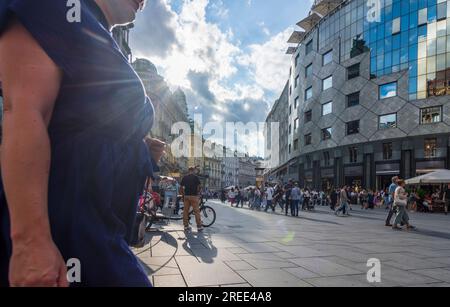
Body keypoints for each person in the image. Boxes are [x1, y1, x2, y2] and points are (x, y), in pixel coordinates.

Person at [0, 0, 166, 287]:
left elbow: (85, 127)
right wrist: (30, 241)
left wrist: (141, 148)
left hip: (102, 230)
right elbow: (26, 110)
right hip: (68, 231)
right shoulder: (57, 7)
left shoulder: (99, 32)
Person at [180, 168, 203, 233]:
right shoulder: (196, 177)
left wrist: (182, 195)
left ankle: (186, 226)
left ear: (188, 171)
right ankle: (199, 227)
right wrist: (198, 193)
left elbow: (181, 187)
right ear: (193, 171)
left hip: (186, 196)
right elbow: (200, 186)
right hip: (194, 196)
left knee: (185, 211)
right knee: (196, 212)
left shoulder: (185, 177)